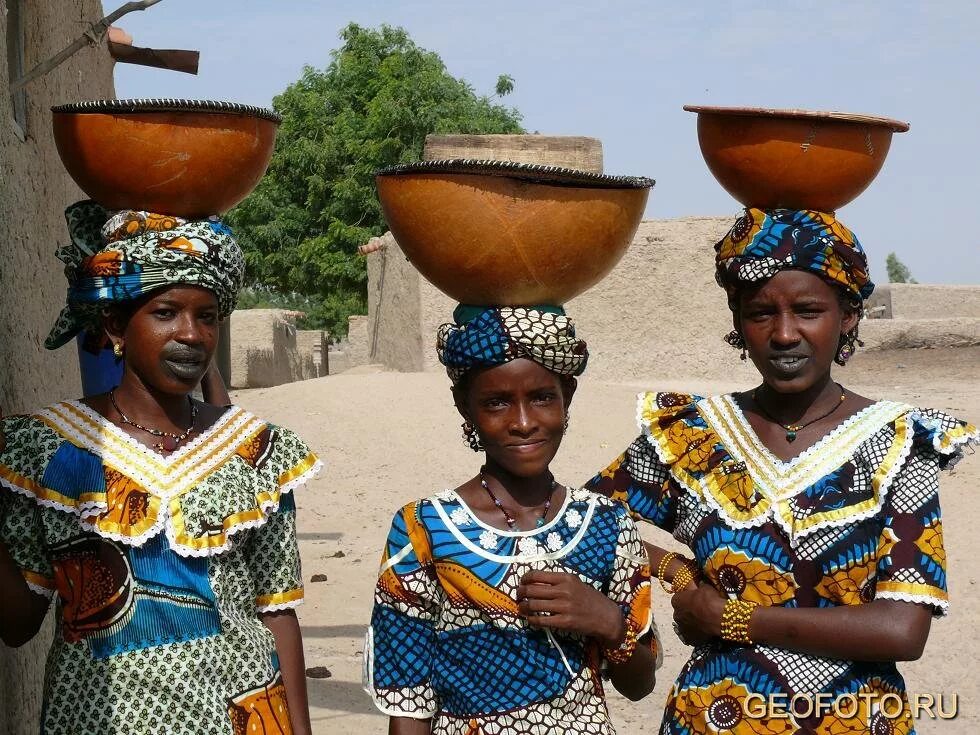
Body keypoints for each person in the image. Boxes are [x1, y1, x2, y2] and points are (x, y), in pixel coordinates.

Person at [587, 208, 978, 734]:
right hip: (712, 717)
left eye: (808, 310)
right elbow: (582, 521)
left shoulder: (900, 444)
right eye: (761, 313)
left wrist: (729, 618)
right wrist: (675, 572)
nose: (784, 334)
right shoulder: (694, 433)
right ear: (737, 320)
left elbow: (901, 630)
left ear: (849, 316)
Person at [0, 201, 322, 735]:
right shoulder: (48, 452)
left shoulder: (255, 450)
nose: (192, 335)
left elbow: (276, 612)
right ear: (115, 322)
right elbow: (17, 625)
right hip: (96, 719)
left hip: (239, 714)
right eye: (166, 312)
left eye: (208, 316)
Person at [363, 306, 660, 734]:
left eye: (542, 397)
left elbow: (639, 684)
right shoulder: (424, 529)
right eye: (497, 403)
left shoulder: (607, 525)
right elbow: (409, 705)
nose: (523, 423)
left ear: (568, 396)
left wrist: (608, 621)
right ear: (464, 406)